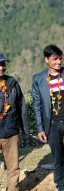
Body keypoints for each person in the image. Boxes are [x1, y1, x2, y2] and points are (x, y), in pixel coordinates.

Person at [32, 45, 64, 191]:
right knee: (57, 158)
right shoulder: (38, 79)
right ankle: (61, 185)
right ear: (46, 60)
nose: (58, 62)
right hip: (52, 125)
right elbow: (37, 105)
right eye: (55, 59)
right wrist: (40, 128)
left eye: (60, 58)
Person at [0, 52, 29, 191]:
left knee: (13, 169)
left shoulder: (12, 83)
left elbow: (21, 107)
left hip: (11, 132)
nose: (1, 67)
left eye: (3, 64)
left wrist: (25, 130)